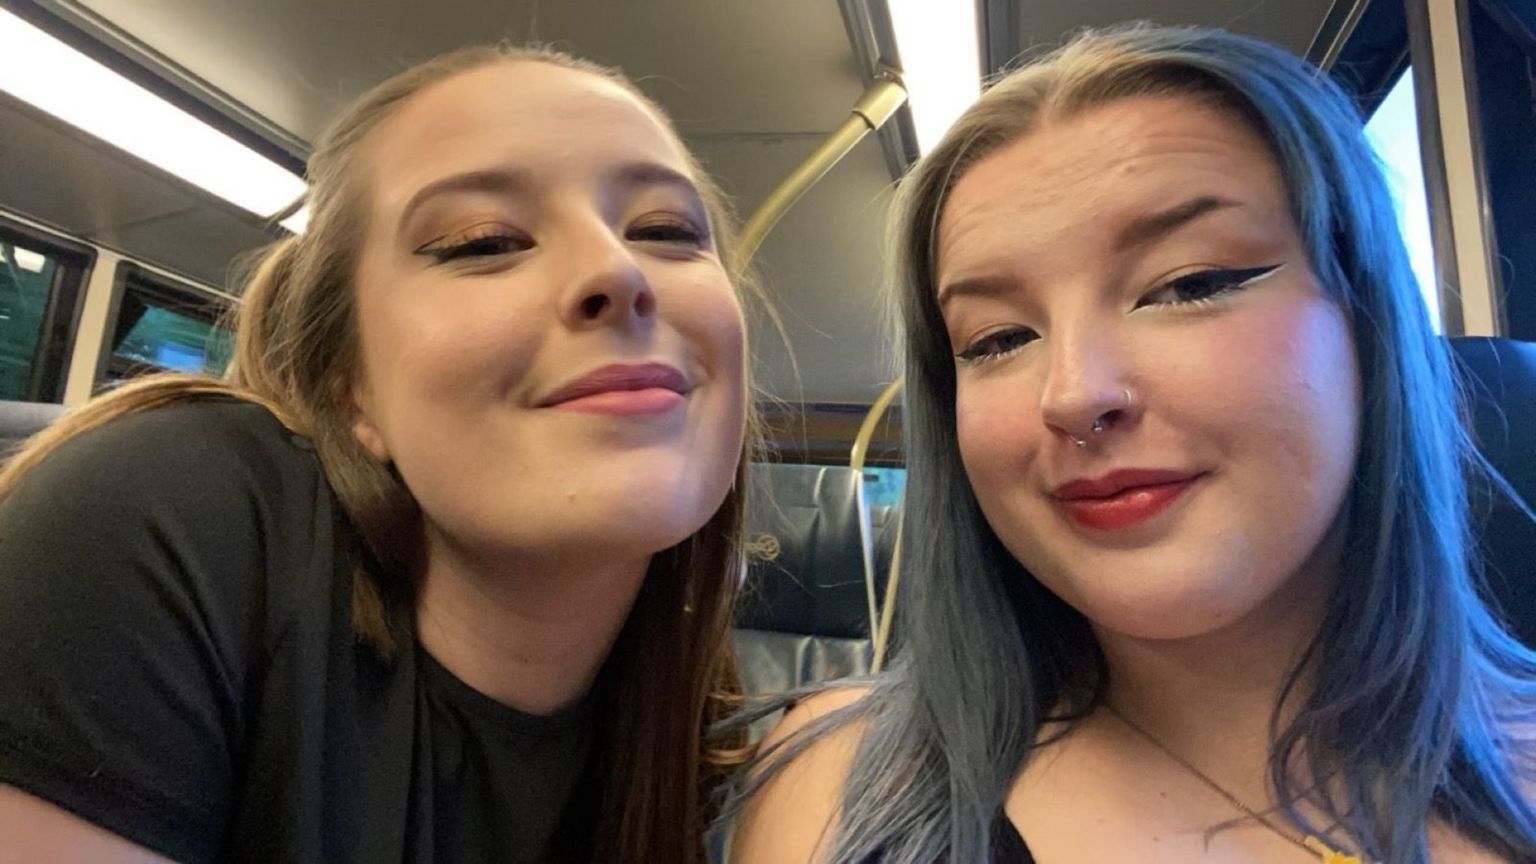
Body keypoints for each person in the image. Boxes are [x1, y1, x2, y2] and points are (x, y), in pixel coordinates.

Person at [731, 24, 1536, 864]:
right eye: (997, 339)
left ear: (1369, 328)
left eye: (1191, 284)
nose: (1075, 395)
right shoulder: (839, 796)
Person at [0, 43, 758, 864]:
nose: (617, 267)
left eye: (667, 230)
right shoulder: (162, 513)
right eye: (482, 241)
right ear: (347, 389)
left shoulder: (737, 758)